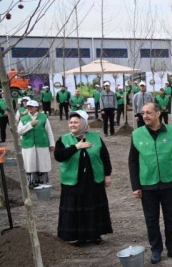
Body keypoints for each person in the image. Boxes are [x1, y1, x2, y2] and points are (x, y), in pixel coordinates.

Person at [128, 102, 172, 264]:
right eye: (143, 113)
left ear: (158, 113)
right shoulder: (137, 134)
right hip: (148, 184)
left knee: (170, 217)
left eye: (148, 112)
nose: (144, 116)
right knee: (151, 219)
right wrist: (135, 186)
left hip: (169, 182)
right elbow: (132, 162)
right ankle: (156, 249)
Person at [54, 110, 113, 245]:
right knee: (75, 208)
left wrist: (107, 174)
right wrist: (76, 147)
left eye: (76, 122)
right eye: (71, 122)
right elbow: (59, 156)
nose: (72, 125)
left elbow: (105, 157)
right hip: (73, 180)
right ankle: (75, 237)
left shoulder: (96, 137)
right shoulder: (63, 139)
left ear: (84, 123)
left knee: (93, 207)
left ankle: (94, 235)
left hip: (93, 179)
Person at [17, 100, 55, 187]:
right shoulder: (23, 119)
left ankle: (42, 182)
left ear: (36, 108)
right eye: (28, 106)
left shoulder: (44, 117)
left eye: (31, 106)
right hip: (28, 144)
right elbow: (19, 132)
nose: (29, 108)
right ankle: (31, 183)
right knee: (29, 164)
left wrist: (52, 144)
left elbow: (49, 131)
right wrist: (30, 125)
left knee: (41, 163)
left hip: (41, 143)